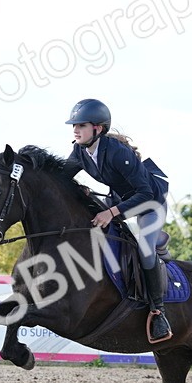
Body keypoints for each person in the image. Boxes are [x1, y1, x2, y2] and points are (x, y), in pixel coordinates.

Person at [65, 98, 173, 343]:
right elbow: (62, 177)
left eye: (81, 125)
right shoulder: (80, 151)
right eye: (74, 125)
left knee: (145, 250)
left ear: (98, 128)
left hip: (149, 203)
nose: (75, 129)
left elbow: (144, 193)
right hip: (120, 200)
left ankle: (158, 312)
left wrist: (111, 213)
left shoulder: (117, 152)